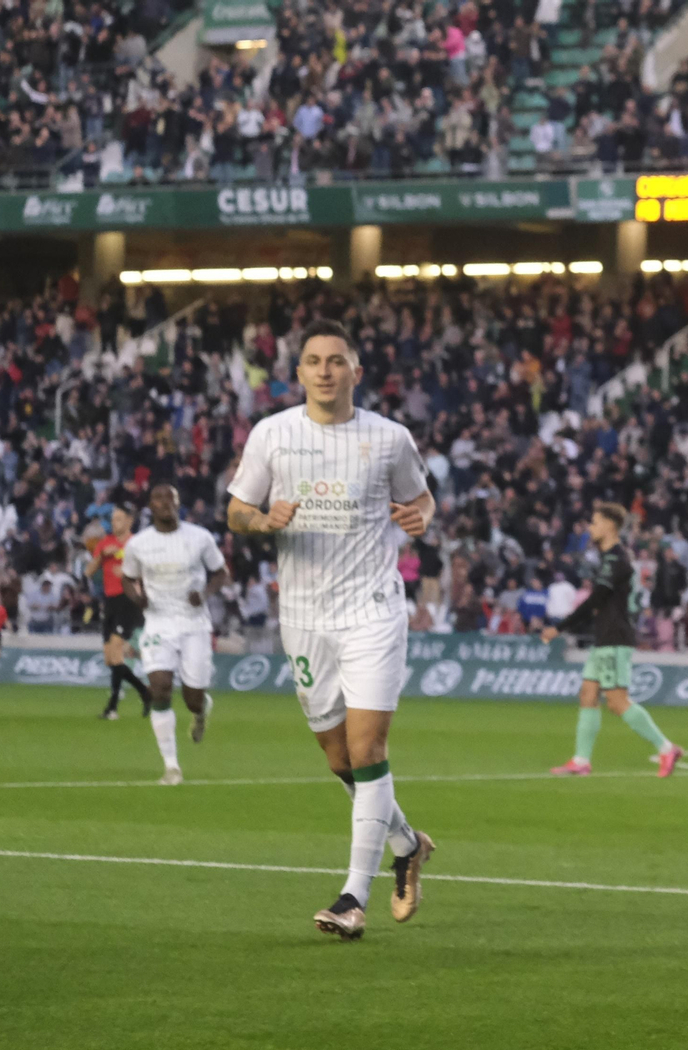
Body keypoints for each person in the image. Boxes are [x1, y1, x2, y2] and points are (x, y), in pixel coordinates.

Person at [227, 318, 438, 941]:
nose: (325, 370)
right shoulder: (273, 435)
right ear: (299, 374)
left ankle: (352, 897)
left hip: (373, 609)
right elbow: (236, 512)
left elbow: (422, 499)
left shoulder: (390, 438)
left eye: (336, 360)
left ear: (355, 371)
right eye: (314, 361)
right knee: (339, 756)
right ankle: (407, 844)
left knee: (369, 748)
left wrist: (417, 518)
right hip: (304, 617)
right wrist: (264, 522)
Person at [541, 502, 684, 778]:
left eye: (595, 522)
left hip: (615, 637)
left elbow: (596, 600)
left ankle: (666, 748)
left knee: (618, 701)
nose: (591, 528)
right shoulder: (612, 558)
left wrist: (560, 628)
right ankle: (581, 760)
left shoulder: (617, 560)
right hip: (605, 636)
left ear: (609, 525)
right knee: (588, 694)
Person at [120, 483, 229, 785]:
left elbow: (222, 573)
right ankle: (171, 767)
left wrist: (205, 593)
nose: (166, 503)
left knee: (193, 698)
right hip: (158, 623)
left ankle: (200, 711)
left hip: (194, 624)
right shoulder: (138, 544)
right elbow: (128, 578)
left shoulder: (200, 538)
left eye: (172, 498)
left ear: (179, 504)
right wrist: (137, 597)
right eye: (159, 498)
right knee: (160, 688)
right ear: (150, 507)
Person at [89, 506, 153, 719]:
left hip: (128, 600)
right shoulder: (104, 543)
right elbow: (88, 572)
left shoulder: (137, 543)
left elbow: (148, 570)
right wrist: (100, 558)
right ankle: (145, 692)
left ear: (129, 521)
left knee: (116, 650)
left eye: (118, 519)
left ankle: (112, 708)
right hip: (110, 602)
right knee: (111, 659)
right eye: (113, 519)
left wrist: (126, 569)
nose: (114, 523)